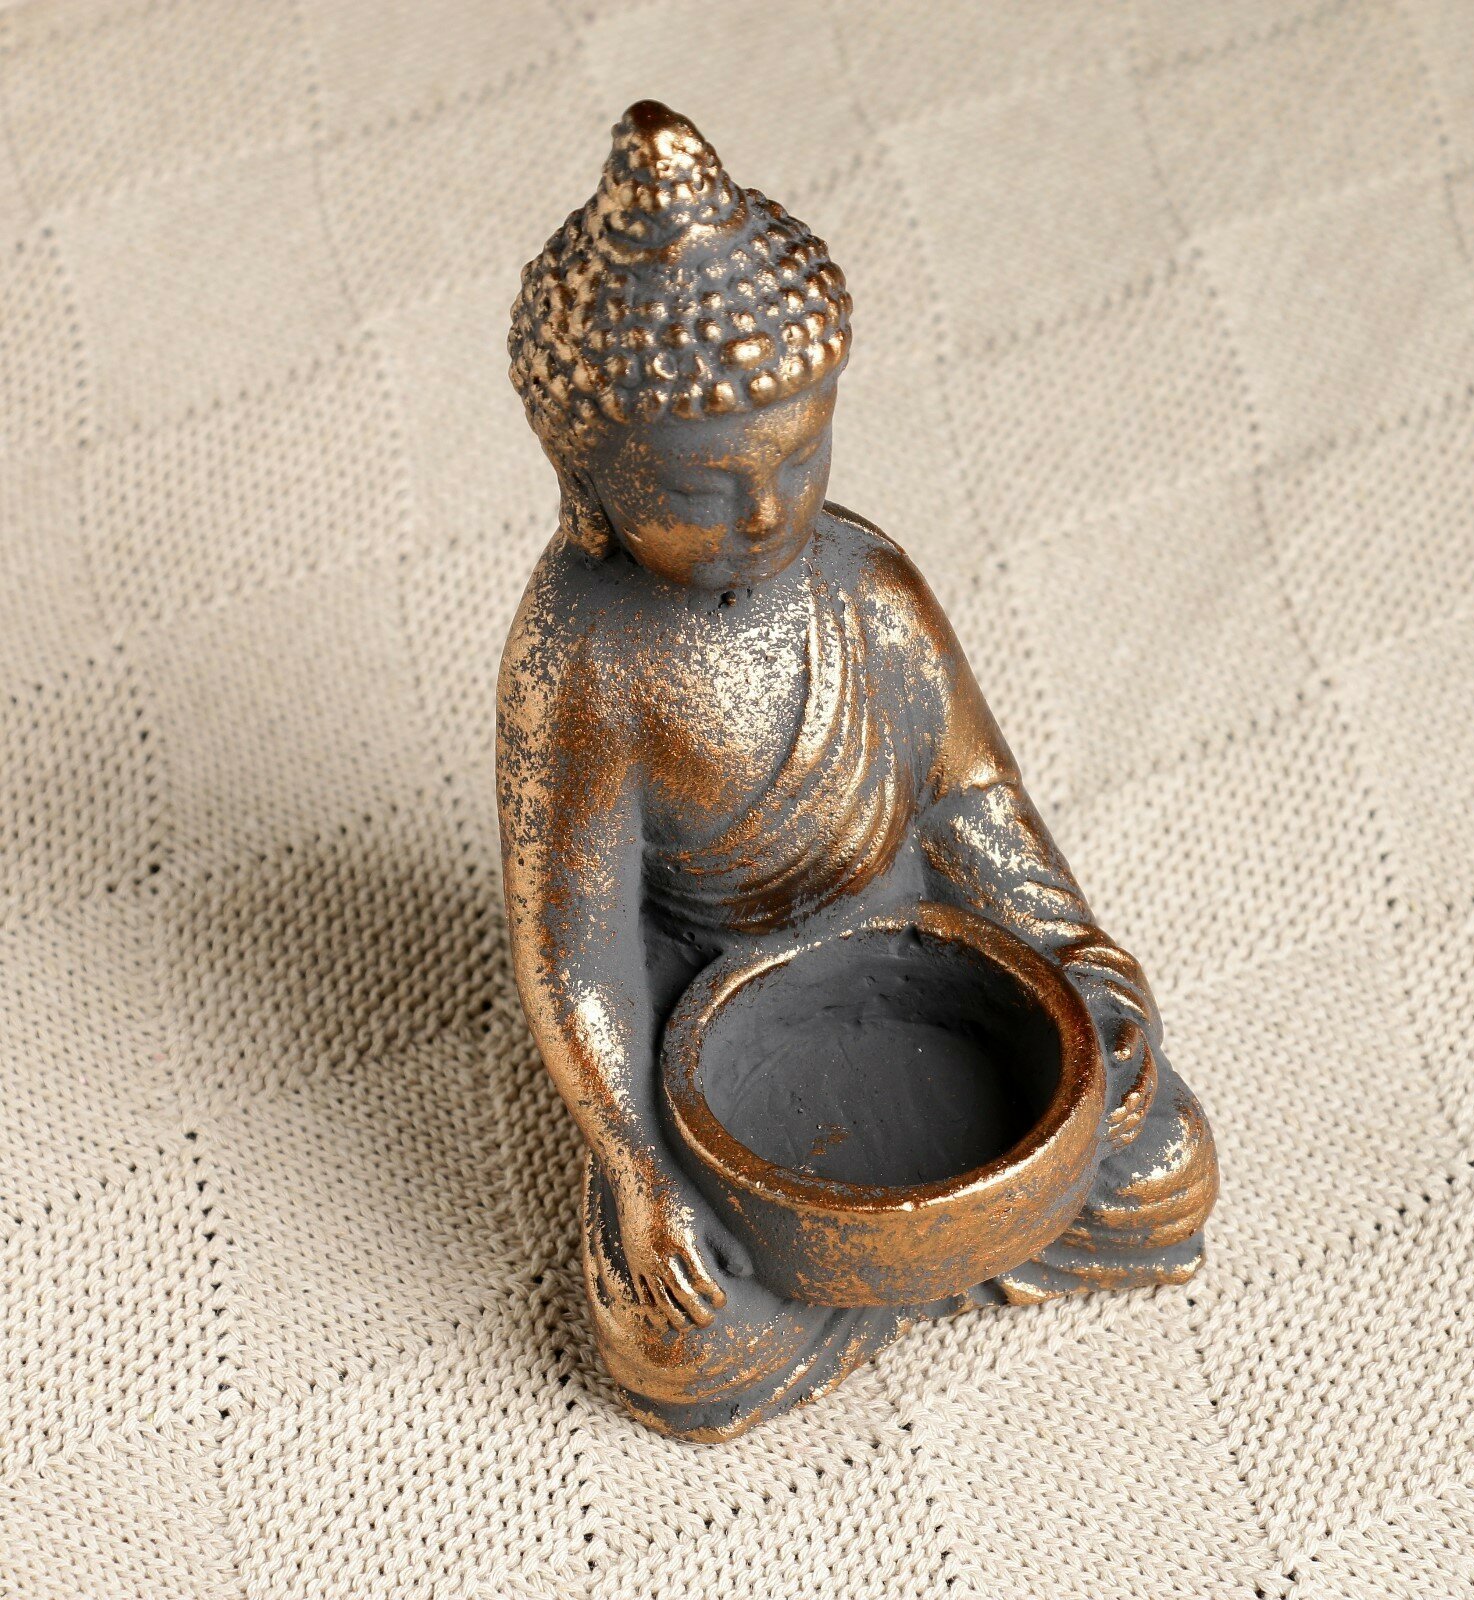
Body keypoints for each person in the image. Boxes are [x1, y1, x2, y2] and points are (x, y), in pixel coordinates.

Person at [498, 101, 1216, 1440]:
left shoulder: (865, 580)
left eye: (799, 457)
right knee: (684, 1339)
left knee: (1162, 1161)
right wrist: (638, 1170)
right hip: (703, 1019)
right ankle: (857, 1265)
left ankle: (904, 1261)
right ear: (587, 477)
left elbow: (972, 803)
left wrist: (1083, 961)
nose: (766, 514)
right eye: (700, 491)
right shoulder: (582, 656)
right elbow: (574, 948)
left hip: (915, 947)